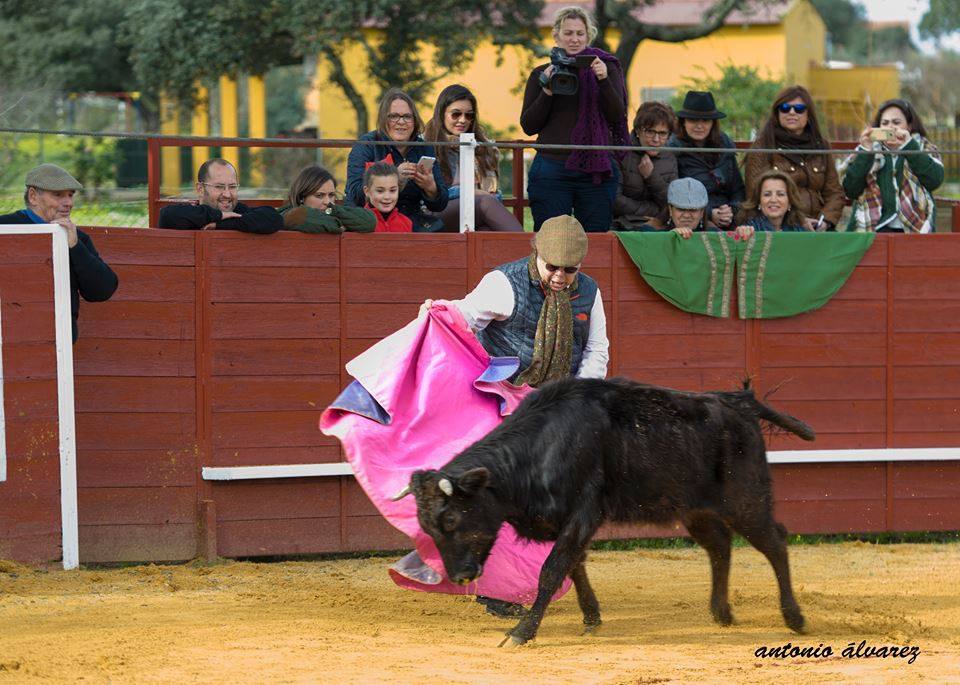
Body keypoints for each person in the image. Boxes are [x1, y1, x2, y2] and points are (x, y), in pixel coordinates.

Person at [417, 214, 608, 616]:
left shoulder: (589, 293)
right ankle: (497, 590)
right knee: (495, 500)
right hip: (501, 404)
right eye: (551, 266)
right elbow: (464, 319)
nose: (559, 276)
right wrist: (438, 313)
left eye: (569, 270)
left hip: (553, 414)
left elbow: (595, 351)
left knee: (549, 501)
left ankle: (526, 584)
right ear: (535, 253)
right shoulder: (503, 284)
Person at [520, 5, 629, 232]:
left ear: (589, 36)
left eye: (580, 33)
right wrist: (547, 90)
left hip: (595, 169)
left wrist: (603, 81)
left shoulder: (607, 67)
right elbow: (529, 126)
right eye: (568, 33)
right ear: (556, 35)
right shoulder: (542, 73)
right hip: (552, 167)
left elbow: (617, 115)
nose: (574, 39)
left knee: (594, 238)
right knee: (550, 238)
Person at [0, 163, 118, 343]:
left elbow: (102, 290)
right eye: (58, 195)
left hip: (58, 343)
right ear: (33, 196)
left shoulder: (77, 239)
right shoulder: (5, 227)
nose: (68, 203)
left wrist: (75, 247)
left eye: (70, 195)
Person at [345, 88, 449, 232]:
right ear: (383, 119)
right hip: (368, 222)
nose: (401, 122)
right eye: (394, 116)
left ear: (415, 120)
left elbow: (440, 204)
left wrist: (430, 187)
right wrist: (394, 178)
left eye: (407, 116)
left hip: (409, 221)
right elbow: (355, 194)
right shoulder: (367, 145)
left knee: (439, 232)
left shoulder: (424, 148)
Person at [422, 84, 522, 232]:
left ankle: (527, 252)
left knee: (486, 231)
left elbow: (493, 193)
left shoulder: (482, 146)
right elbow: (431, 195)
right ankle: (532, 250)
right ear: (442, 113)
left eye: (469, 115)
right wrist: (470, 192)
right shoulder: (427, 144)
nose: (463, 120)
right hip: (433, 213)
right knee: (485, 203)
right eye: (456, 114)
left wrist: (482, 195)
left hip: (475, 208)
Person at [745, 86, 844, 232]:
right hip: (780, 226)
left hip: (819, 226)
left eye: (799, 108)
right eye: (785, 108)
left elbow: (834, 192)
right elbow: (755, 192)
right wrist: (799, 221)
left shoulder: (821, 146)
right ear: (777, 113)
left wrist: (826, 220)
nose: (791, 112)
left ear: (808, 114)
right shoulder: (763, 146)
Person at [839, 98, 944, 233]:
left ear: (909, 126)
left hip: (915, 228)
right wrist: (866, 152)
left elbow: (935, 180)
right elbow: (850, 189)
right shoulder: (868, 149)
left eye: (896, 122)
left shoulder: (921, 147)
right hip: (873, 227)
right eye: (885, 123)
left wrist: (909, 147)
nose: (890, 127)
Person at [666, 91, 745, 230]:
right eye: (693, 120)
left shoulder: (725, 146)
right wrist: (709, 213)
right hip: (690, 219)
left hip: (728, 216)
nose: (699, 126)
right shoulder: (673, 150)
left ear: (713, 123)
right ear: (683, 122)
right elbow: (672, 194)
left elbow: (738, 189)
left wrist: (732, 211)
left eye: (705, 120)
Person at [158, 158, 283, 233]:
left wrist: (222, 224)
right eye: (219, 187)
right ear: (200, 189)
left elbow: (273, 218)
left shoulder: (237, 212)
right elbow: (167, 215)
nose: (227, 194)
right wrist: (220, 215)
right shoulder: (188, 214)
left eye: (232, 187)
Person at [612, 101, 678, 229]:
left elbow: (672, 201)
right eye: (650, 132)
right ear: (637, 131)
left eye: (663, 133)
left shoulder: (670, 158)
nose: (656, 139)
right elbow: (615, 200)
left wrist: (651, 176)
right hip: (622, 223)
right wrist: (652, 214)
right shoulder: (621, 153)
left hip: (660, 225)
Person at [279, 165, 375, 234]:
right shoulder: (289, 214)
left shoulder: (333, 211)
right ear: (301, 197)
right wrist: (340, 225)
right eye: (319, 195)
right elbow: (302, 216)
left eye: (331, 195)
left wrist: (335, 211)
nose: (327, 201)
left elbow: (369, 221)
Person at [734, 169, 810, 237]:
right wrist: (741, 233)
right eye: (767, 194)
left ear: (790, 202)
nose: (773, 200)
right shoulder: (750, 229)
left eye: (780, 194)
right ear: (759, 201)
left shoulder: (799, 230)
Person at [363, 161, 412, 232]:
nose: (387, 197)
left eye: (392, 190)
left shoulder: (407, 223)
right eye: (380, 191)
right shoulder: (358, 222)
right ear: (367, 191)